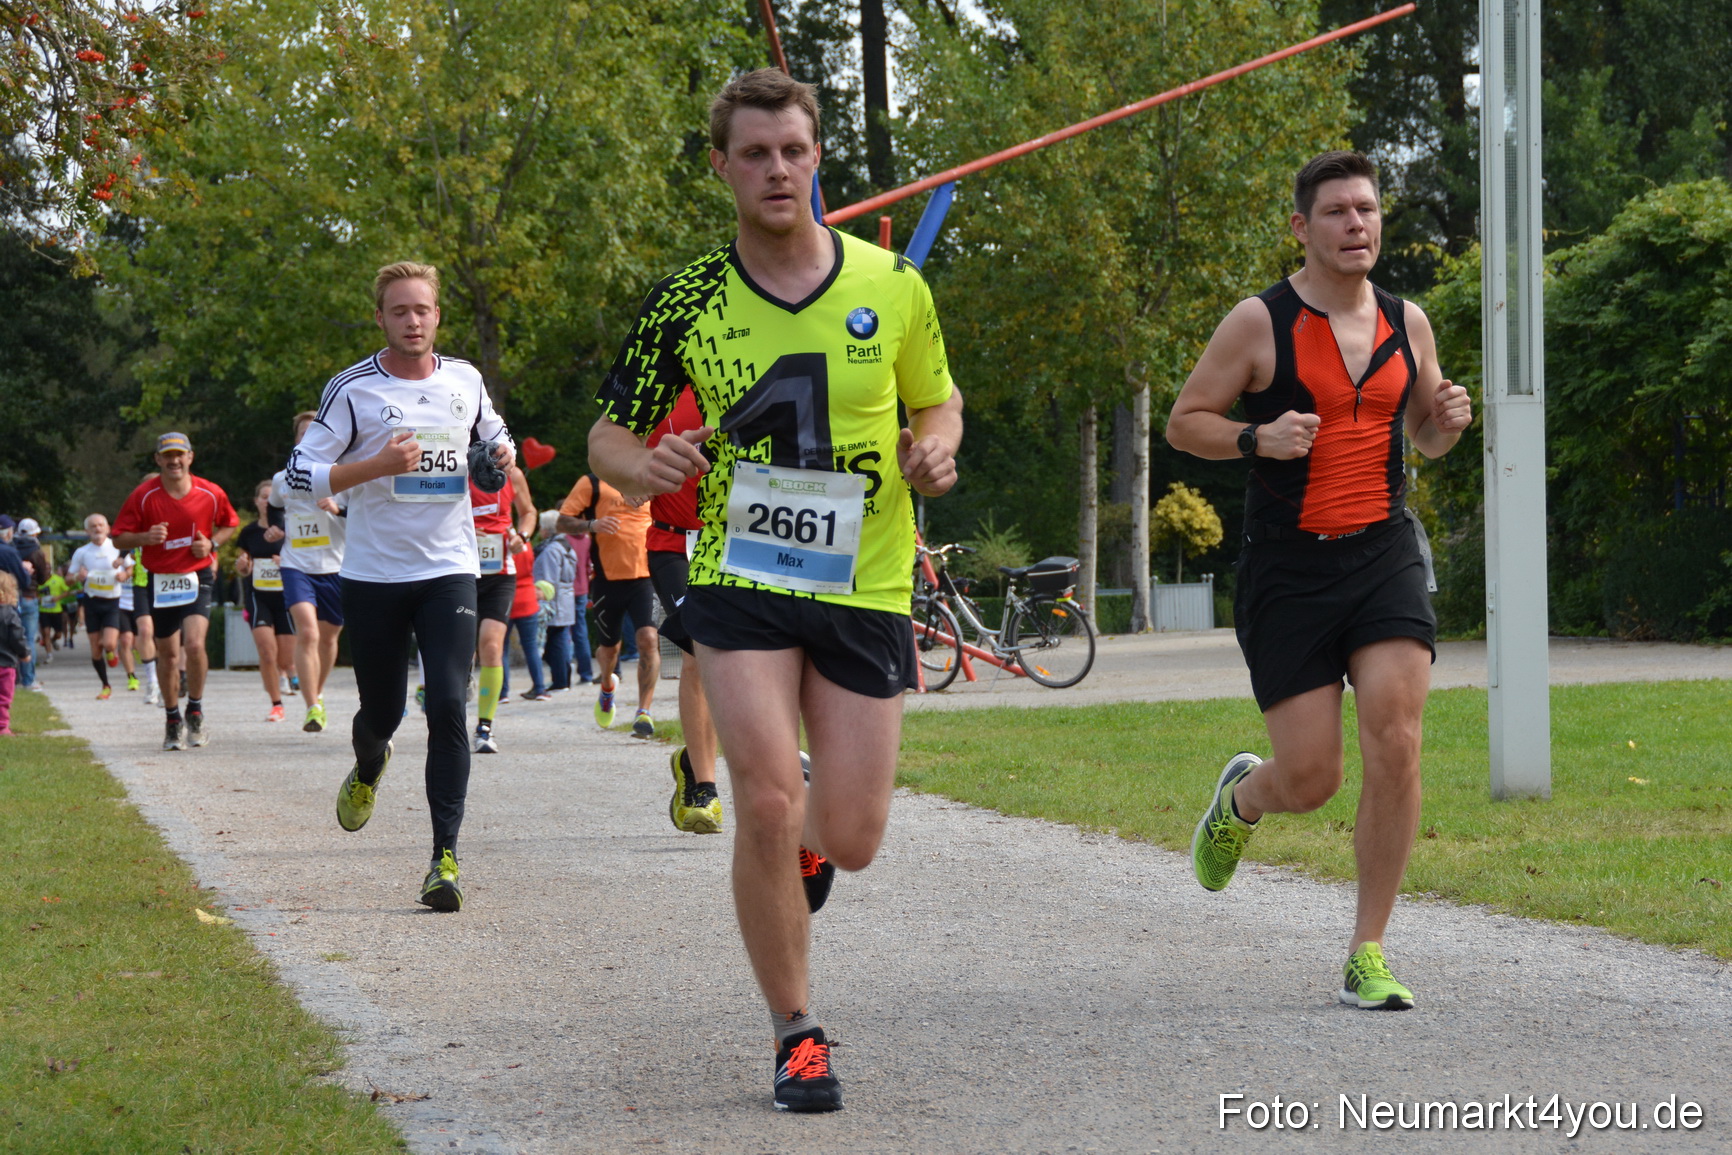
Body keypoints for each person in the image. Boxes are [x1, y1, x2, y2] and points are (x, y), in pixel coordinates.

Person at [585, 69, 963, 1112]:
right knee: (758, 793)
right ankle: (797, 1031)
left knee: (853, 837)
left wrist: (934, 451)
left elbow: (938, 403)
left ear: (818, 157)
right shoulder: (688, 301)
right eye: (754, 154)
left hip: (867, 578)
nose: (777, 170)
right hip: (739, 569)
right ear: (721, 167)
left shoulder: (894, 285)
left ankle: (803, 836)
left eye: (793, 150)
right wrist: (640, 466)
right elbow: (607, 433)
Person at [1165, 150, 1473, 1011]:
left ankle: (1367, 950)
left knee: (1397, 735)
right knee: (1312, 779)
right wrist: (1254, 439)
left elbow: (1424, 434)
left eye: (1366, 209)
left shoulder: (1409, 321)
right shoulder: (1258, 322)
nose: (1355, 224)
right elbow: (1185, 423)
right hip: (1288, 568)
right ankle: (1244, 797)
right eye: (1336, 211)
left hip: (1384, 553)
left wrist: (1447, 422)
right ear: (1302, 227)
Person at [284, 260, 515, 912]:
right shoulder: (352, 388)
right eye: (399, 311)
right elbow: (298, 475)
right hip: (374, 574)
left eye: (422, 310)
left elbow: (497, 437)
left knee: (447, 703)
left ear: (437, 314)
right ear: (381, 318)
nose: (413, 321)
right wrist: (375, 465)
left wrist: (501, 455)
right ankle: (369, 765)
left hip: (449, 569)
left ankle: (445, 857)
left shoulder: (465, 379)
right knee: (381, 714)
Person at [112, 432, 241, 751]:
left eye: (179, 454)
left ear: (190, 457)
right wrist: (145, 537)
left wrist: (212, 544)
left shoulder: (210, 492)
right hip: (160, 579)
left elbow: (229, 523)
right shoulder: (144, 496)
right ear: (158, 459)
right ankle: (172, 719)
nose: (174, 461)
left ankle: (194, 710)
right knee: (168, 655)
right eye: (168, 455)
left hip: (197, 575)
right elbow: (118, 537)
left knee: (194, 644)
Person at [646, 385, 723, 835]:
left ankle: (692, 764)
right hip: (672, 544)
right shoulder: (657, 389)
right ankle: (705, 790)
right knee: (699, 647)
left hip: (732, 543)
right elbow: (617, 454)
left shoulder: (744, 382)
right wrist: (634, 481)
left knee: (729, 660)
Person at [555, 472, 657, 736]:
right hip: (606, 580)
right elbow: (561, 522)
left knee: (648, 639)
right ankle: (607, 688)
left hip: (646, 577)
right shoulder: (593, 482)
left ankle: (644, 712)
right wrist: (592, 525)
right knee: (609, 649)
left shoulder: (650, 477)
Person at [272, 411, 349, 733]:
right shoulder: (282, 479)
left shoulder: (345, 475)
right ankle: (312, 706)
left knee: (328, 638)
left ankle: (317, 693)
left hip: (336, 566)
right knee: (309, 633)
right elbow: (274, 506)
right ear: (297, 440)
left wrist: (338, 508)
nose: (309, 437)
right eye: (304, 432)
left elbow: (366, 515)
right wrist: (276, 529)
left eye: (315, 431)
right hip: (296, 564)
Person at [467, 464, 535, 754]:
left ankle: (484, 727)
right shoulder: (456, 468)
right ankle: (456, 698)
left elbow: (529, 512)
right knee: (461, 648)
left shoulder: (511, 474)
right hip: (462, 571)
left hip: (500, 572)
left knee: (492, 646)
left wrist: (523, 535)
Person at [236, 480, 297, 722]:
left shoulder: (290, 528)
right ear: (257, 501)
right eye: (264, 497)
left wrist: (287, 563)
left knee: (286, 660)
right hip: (258, 597)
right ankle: (276, 704)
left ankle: (287, 675)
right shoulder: (249, 532)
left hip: (286, 599)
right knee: (266, 652)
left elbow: (304, 560)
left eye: (272, 497)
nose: (268, 501)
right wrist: (243, 566)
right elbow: (243, 567)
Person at [67, 514, 125, 700]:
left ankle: (112, 651)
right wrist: (78, 577)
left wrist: (124, 576)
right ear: (87, 531)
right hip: (92, 601)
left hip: (112, 601)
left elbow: (130, 568)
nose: (97, 529)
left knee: (108, 643)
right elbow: (68, 579)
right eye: (93, 526)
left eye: (100, 525)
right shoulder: (82, 552)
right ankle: (105, 685)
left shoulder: (117, 547)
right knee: (95, 647)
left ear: (107, 528)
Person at [531, 511, 579, 696]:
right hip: (566, 598)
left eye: (542, 526)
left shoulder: (550, 550)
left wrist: (541, 599)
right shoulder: (566, 545)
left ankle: (560, 680)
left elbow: (547, 581)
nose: (540, 530)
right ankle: (562, 679)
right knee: (560, 640)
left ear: (547, 529)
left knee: (553, 644)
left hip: (554, 601)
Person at [500, 526, 541, 704]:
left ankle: (502, 692)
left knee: (501, 648)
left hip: (507, 598)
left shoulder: (503, 544)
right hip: (528, 598)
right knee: (531, 647)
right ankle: (540, 687)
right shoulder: (527, 544)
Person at [8, 517, 47, 690]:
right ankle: (29, 679)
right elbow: (43, 578)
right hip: (29, 597)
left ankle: (12, 677)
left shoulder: (10, 548)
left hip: (9, 597)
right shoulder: (37, 552)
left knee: (9, 637)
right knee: (29, 639)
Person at [0, 572, 25, 734]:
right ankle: (2, 727)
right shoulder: (9, 614)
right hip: (6, 664)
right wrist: (24, 653)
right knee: (3, 697)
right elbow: (17, 637)